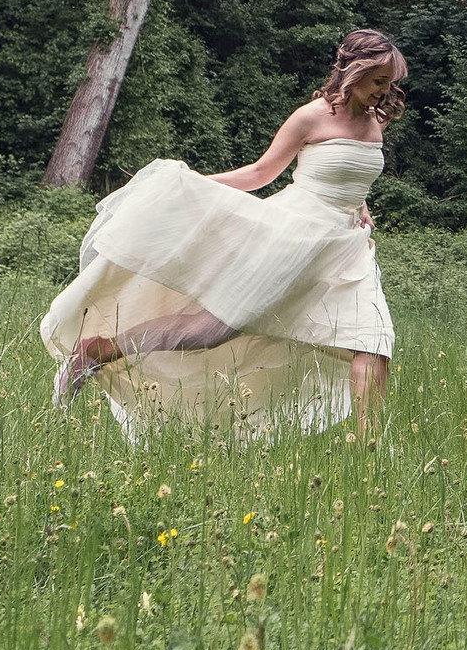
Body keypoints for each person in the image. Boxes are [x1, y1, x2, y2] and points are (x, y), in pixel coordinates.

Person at [41, 29, 402, 440]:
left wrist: (361, 207)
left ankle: (372, 449)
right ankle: (97, 350)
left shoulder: (377, 120)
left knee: (372, 342)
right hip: (295, 238)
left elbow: (354, 173)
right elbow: (260, 173)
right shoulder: (311, 116)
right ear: (353, 72)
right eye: (378, 82)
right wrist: (189, 186)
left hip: (348, 248)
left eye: (389, 84)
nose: (384, 92)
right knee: (208, 332)